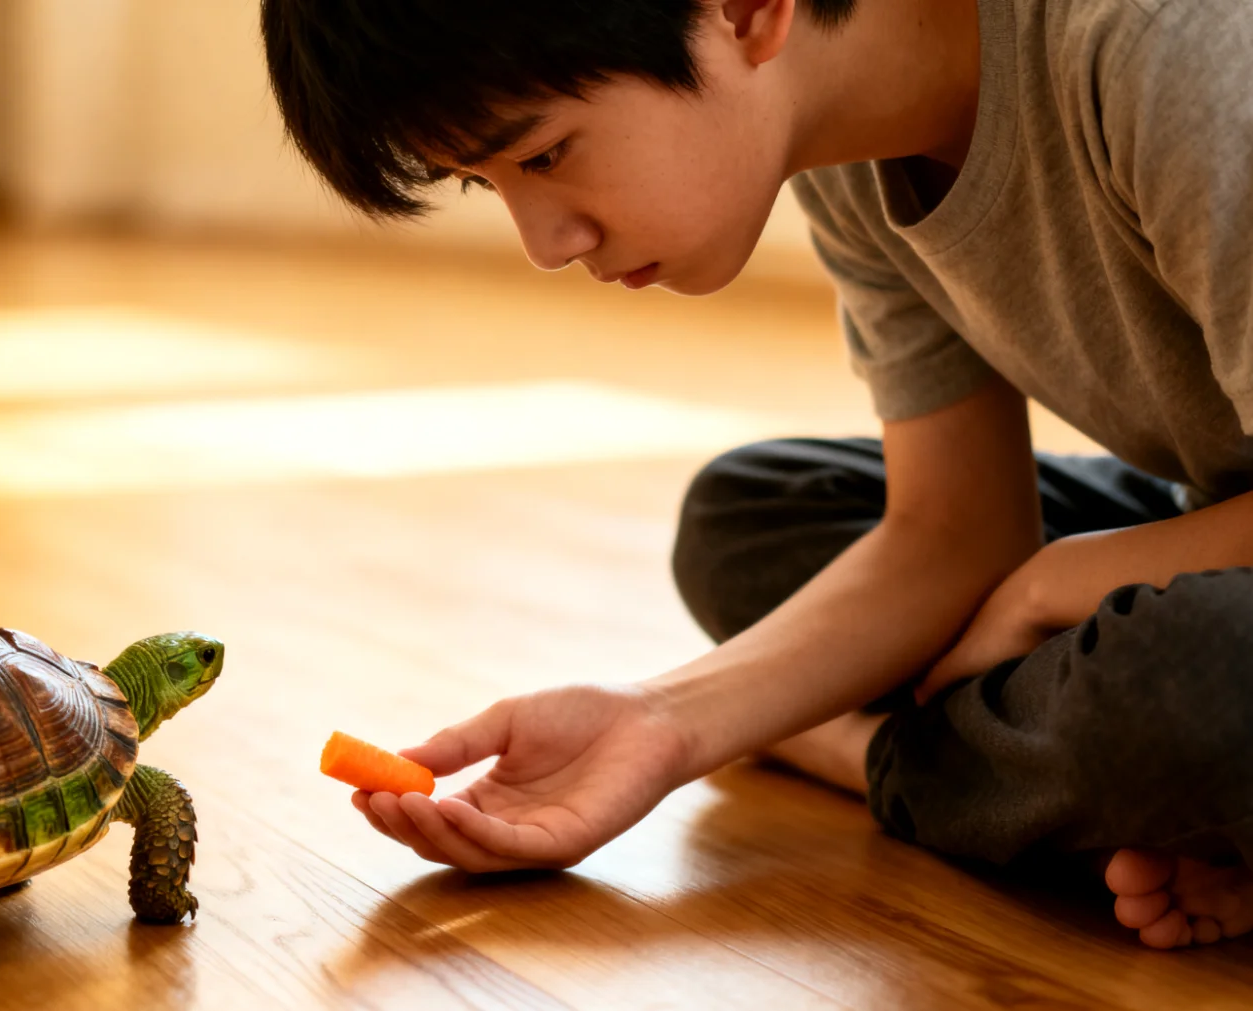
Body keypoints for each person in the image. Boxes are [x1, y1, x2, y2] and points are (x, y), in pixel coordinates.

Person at [262, 0, 1253, 949]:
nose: (546, 243)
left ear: (743, 7)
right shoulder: (842, 130)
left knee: (1195, 673)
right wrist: (661, 722)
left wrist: (1052, 585)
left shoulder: (1172, 41)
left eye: (545, 153)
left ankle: (884, 760)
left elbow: (1016, 569)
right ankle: (1130, 795)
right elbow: (956, 531)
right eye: (489, 182)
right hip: (1215, 513)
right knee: (754, 518)